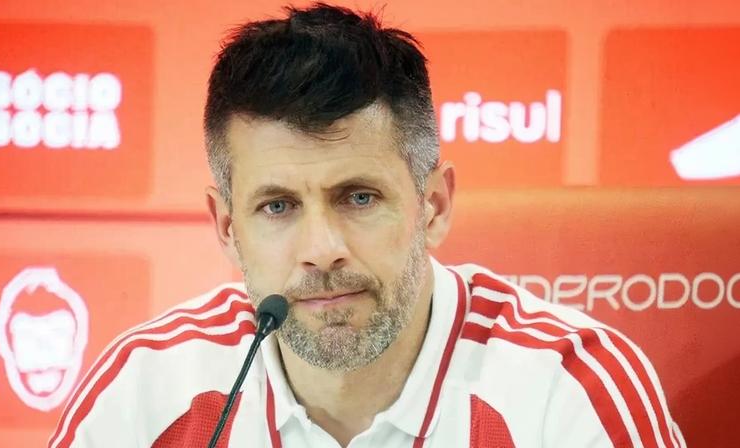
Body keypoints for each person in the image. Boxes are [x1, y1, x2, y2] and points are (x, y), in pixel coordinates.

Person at [49, 3, 686, 447]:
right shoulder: (141, 392)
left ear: (433, 206)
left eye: (358, 197)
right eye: (277, 207)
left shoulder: (568, 390)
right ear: (226, 228)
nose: (322, 250)